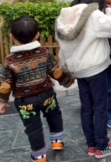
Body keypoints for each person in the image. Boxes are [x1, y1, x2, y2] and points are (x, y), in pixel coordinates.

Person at [55, 0, 111, 158]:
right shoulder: (94, 15)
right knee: (101, 108)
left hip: (79, 71)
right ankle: (101, 147)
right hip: (95, 69)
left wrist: (66, 69)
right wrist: (110, 11)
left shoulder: (65, 16)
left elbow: (63, 48)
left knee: (87, 108)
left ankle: (91, 145)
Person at [0, 17, 74, 162]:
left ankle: (39, 156)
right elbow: (55, 71)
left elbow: (6, 84)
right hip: (47, 95)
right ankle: (57, 141)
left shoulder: (9, 60)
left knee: (33, 128)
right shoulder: (44, 53)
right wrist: (67, 81)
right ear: (37, 35)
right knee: (54, 117)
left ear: (11, 36)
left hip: (24, 102)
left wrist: (2, 101)